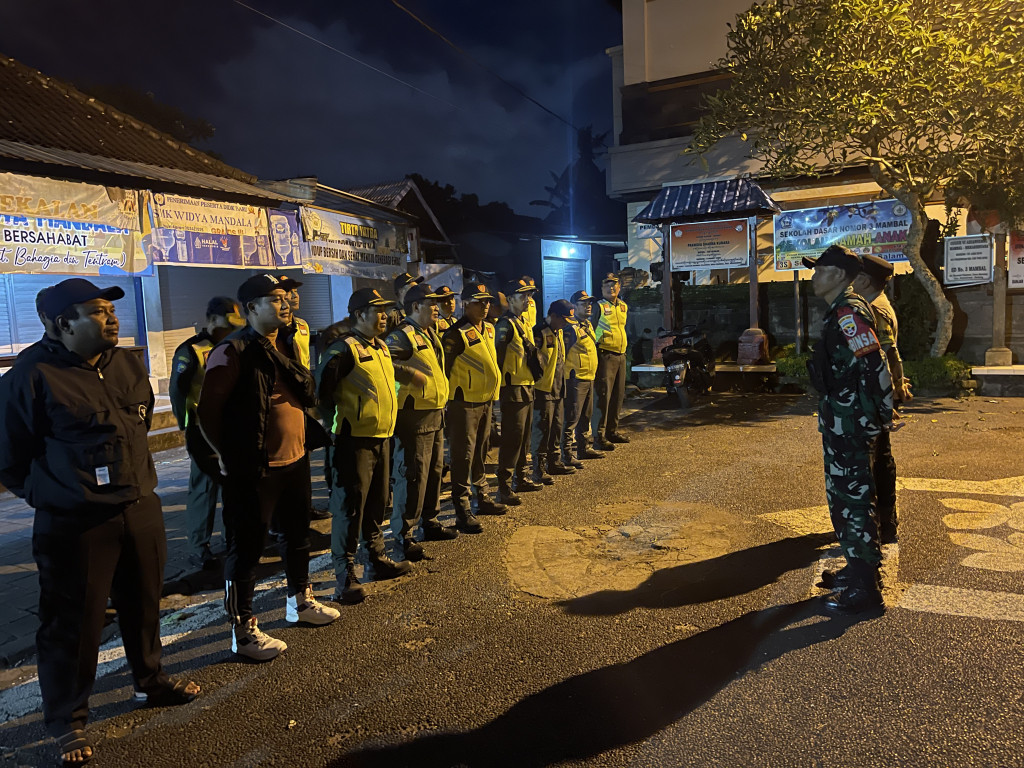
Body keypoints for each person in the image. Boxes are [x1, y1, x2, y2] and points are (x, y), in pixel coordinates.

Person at [0, 279, 200, 766]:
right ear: (62, 323)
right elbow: (9, 457)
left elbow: (139, 423)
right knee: (73, 622)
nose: (112, 318)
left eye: (111, 309)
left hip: (139, 506)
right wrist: (55, 495)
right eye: (97, 311)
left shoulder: (126, 364)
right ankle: (67, 719)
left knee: (144, 603)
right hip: (76, 523)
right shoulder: (30, 376)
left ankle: (150, 681)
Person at [198, 274, 338, 662]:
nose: (286, 303)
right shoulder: (232, 351)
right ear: (250, 308)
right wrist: (224, 454)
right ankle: (243, 630)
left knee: (297, 536)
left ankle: (300, 601)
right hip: (255, 468)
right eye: (275, 299)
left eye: (286, 297)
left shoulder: (286, 342)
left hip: (295, 458)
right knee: (246, 549)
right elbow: (207, 411)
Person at [317, 288, 426, 603]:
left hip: (381, 437)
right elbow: (322, 393)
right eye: (377, 311)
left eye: (385, 310)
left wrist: (407, 375)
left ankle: (375, 559)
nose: (384, 316)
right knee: (350, 508)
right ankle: (345, 575)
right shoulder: (342, 349)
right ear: (359, 314)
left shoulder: (379, 346)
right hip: (352, 442)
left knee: (377, 502)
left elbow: (385, 374)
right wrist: (336, 427)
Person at [804, 245, 893, 614]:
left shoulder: (848, 312)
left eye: (819, 270)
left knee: (851, 501)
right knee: (848, 498)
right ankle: (858, 570)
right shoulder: (842, 309)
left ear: (838, 275)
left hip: (851, 422)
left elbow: (875, 363)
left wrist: (882, 414)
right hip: (844, 419)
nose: (813, 276)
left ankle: (865, 589)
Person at [169, 297, 245, 569]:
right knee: (204, 487)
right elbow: (177, 391)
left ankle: (232, 540)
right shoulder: (192, 349)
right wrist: (185, 423)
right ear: (212, 319)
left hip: (232, 427)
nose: (233, 327)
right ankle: (199, 547)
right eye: (228, 321)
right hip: (202, 429)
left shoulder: (236, 345)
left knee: (233, 486)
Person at [385, 283, 459, 561]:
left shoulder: (428, 333)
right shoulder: (402, 335)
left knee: (435, 472)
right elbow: (385, 363)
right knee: (412, 475)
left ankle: (430, 522)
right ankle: (402, 536)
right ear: (416, 306)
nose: (437, 308)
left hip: (434, 412)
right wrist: (408, 374)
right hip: (414, 415)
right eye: (432, 304)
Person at [853, 254, 909, 545]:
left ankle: (883, 524)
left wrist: (892, 391)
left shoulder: (874, 309)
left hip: (875, 395)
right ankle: (883, 522)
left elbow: (888, 354)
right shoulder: (878, 304)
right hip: (880, 393)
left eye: (854, 276)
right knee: (879, 457)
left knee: (876, 460)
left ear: (864, 280)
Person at [442, 283, 506, 533]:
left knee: (481, 450)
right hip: (464, 403)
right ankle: (462, 508)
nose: (485, 306)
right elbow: (445, 370)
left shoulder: (489, 328)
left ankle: (482, 496)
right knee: (463, 455)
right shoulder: (455, 334)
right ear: (466, 304)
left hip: (485, 400)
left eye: (487, 301)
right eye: (479, 302)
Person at [495, 277, 543, 504]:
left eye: (529, 296)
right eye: (522, 296)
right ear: (510, 299)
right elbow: (497, 357)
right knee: (512, 439)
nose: (527, 300)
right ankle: (504, 487)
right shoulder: (505, 324)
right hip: (512, 387)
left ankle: (520, 478)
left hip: (526, 385)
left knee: (524, 438)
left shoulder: (522, 322)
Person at [531, 300, 575, 485]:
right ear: (554, 316)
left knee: (556, 426)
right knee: (542, 429)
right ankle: (538, 468)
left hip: (558, 387)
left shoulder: (558, 332)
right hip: (543, 389)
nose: (565, 324)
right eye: (564, 319)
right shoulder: (539, 332)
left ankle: (554, 461)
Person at [562, 290, 604, 469]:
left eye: (589, 303)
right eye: (583, 303)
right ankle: (566, 454)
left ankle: (583, 448)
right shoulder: (570, 327)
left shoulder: (587, 325)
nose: (588, 306)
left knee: (586, 416)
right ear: (574, 306)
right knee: (571, 417)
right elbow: (562, 353)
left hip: (588, 376)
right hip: (575, 378)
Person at [593, 272, 630, 451]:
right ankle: (598, 436)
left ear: (619, 287)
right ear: (602, 288)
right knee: (603, 396)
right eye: (607, 285)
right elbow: (592, 329)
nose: (611, 288)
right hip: (605, 354)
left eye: (614, 284)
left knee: (618, 395)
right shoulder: (598, 306)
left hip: (620, 355)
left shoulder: (623, 306)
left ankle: (612, 431)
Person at [280, 277, 312, 370]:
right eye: (289, 292)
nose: (295, 296)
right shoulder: (273, 328)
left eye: (296, 291)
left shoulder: (302, 324)